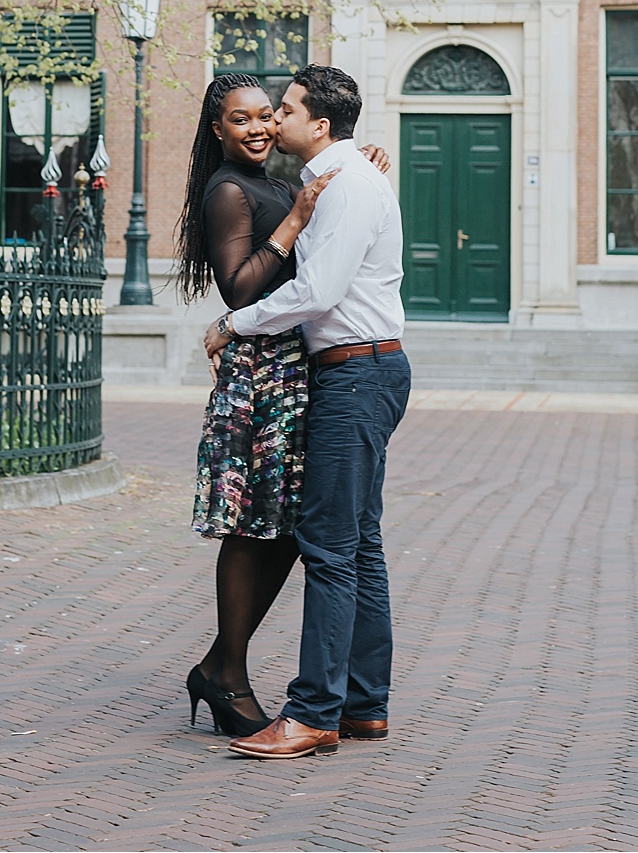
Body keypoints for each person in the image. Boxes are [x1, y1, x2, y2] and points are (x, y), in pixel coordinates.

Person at [204, 65, 410, 762]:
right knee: (361, 546)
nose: (272, 120)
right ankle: (364, 707)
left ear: (319, 124)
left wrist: (237, 324)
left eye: (283, 108)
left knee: (328, 550)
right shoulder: (337, 178)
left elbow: (317, 290)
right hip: (361, 370)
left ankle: (314, 713)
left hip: (354, 373)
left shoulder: (346, 184)